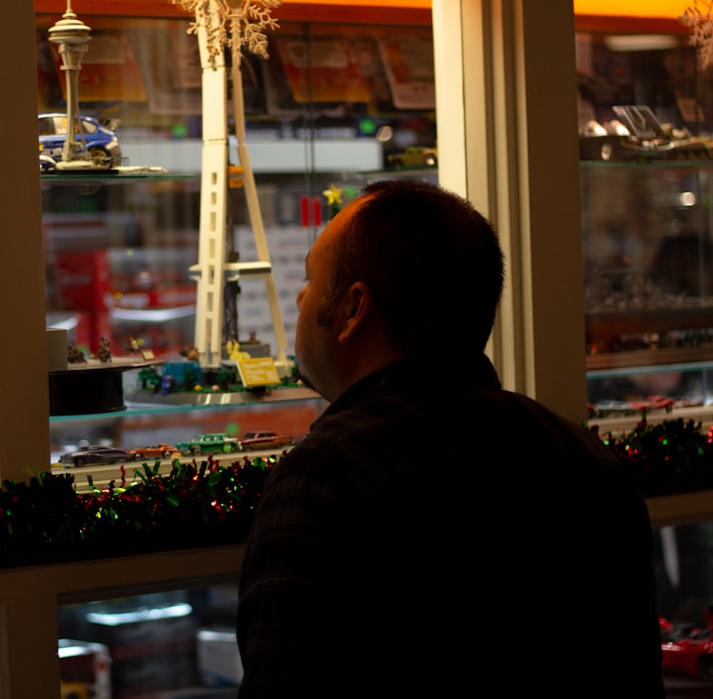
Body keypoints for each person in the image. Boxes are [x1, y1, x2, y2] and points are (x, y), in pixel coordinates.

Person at [236, 180, 664, 697]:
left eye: (309, 279)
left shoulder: (325, 478)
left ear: (354, 309)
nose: (301, 297)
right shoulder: (586, 461)